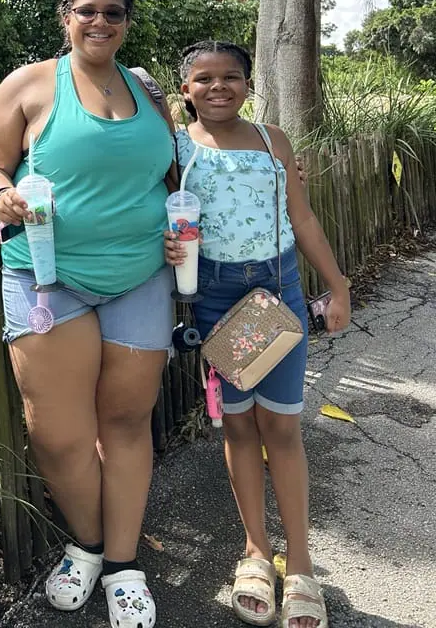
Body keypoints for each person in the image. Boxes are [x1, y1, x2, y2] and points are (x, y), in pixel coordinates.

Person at [0, 0, 176, 628]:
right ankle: (86, 545)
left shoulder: (147, 90)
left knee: (125, 425)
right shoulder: (30, 84)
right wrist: (0, 195)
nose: (100, 22)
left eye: (113, 13)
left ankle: (122, 564)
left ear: (126, 23)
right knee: (58, 437)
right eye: (88, 11)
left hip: (141, 277)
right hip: (46, 280)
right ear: (67, 17)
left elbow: (173, 172)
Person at [165, 41, 351, 628]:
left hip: (277, 292)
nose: (218, 87)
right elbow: (156, 211)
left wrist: (337, 284)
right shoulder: (173, 148)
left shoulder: (274, 141)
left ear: (249, 83)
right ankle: (253, 549)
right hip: (212, 298)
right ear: (185, 90)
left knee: (283, 427)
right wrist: (165, 245)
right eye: (203, 79)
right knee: (239, 426)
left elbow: (302, 217)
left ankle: (299, 564)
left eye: (231, 77)